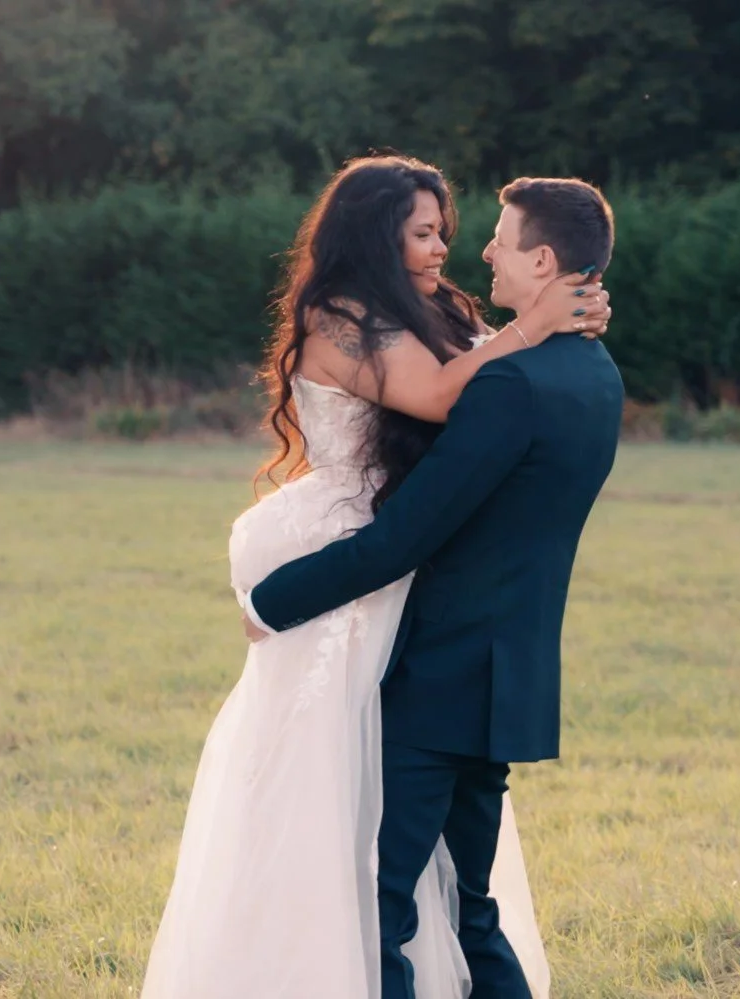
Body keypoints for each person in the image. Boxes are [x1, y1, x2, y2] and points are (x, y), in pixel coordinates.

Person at [140, 156, 611, 999]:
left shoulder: (434, 310)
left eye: (449, 234)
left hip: (398, 570)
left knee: (401, 845)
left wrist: (562, 312)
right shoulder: (338, 319)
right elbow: (436, 397)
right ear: (376, 232)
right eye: (424, 233)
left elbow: (477, 395)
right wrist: (533, 324)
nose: (445, 252)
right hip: (343, 555)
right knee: (333, 793)